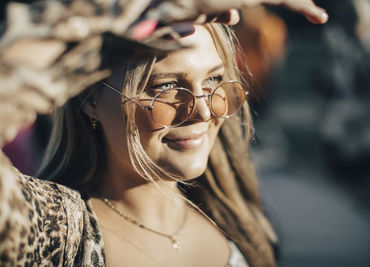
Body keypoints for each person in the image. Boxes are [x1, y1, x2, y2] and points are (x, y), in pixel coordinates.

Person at [0, 1, 328, 267]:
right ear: (88, 99)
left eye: (214, 80)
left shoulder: (238, 219)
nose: (202, 111)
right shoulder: (50, 230)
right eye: (167, 87)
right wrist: (114, 15)